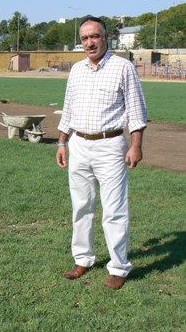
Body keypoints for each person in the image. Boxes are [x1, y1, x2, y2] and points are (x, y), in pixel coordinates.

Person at [56, 16, 147, 290]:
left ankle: (118, 267)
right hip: (79, 144)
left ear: (105, 37)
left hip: (110, 146)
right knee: (81, 206)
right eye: (84, 38)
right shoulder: (76, 70)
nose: (89, 42)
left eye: (94, 36)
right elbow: (68, 110)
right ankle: (82, 259)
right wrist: (62, 142)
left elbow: (136, 109)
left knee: (114, 209)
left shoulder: (123, 68)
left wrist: (136, 145)